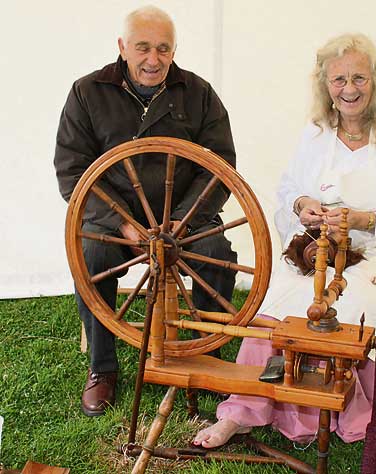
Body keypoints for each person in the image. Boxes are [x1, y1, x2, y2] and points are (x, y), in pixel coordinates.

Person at [194, 33, 376, 448]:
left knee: (351, 302)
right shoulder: (316, 133)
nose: (349, 89)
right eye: (339, 79)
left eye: (359, 78)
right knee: (276, 303)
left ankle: (330, 405)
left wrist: (362, 220)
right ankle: (243, 411)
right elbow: (289, 188)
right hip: (320, 246)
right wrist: (303, 205)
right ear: (325, 84)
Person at [54, 6, 237, 417]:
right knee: (91, 256)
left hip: (184, 220)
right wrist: (122, 222)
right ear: (122, 47)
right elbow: (72, 171)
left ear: (174, 50)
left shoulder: (198, 93)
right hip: (116, 220)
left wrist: (183, 220)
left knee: (218, 256)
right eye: (143, 48)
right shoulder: (87, 92)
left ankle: (205, 357)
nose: (153, 59)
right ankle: (102, 367)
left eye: (163, 49)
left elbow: (219, 166)